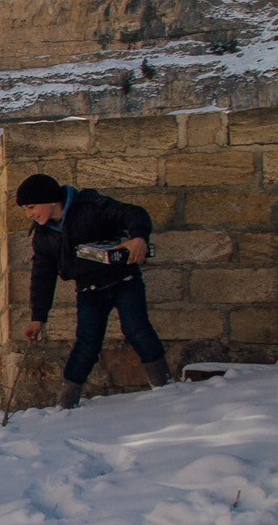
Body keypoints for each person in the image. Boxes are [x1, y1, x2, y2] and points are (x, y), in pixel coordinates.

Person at [16, 173, 171, 409]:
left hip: (124, 279)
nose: (30, 215)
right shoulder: (44, 236)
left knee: (136, 329)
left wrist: (139, 238)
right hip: (89, 290)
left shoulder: (90, 206)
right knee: (87, 344)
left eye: (32, 207)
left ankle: (166, 387)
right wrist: (38, 318)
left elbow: (133, 213)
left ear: (50, 200)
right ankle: (66, 403)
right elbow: (42, 276)